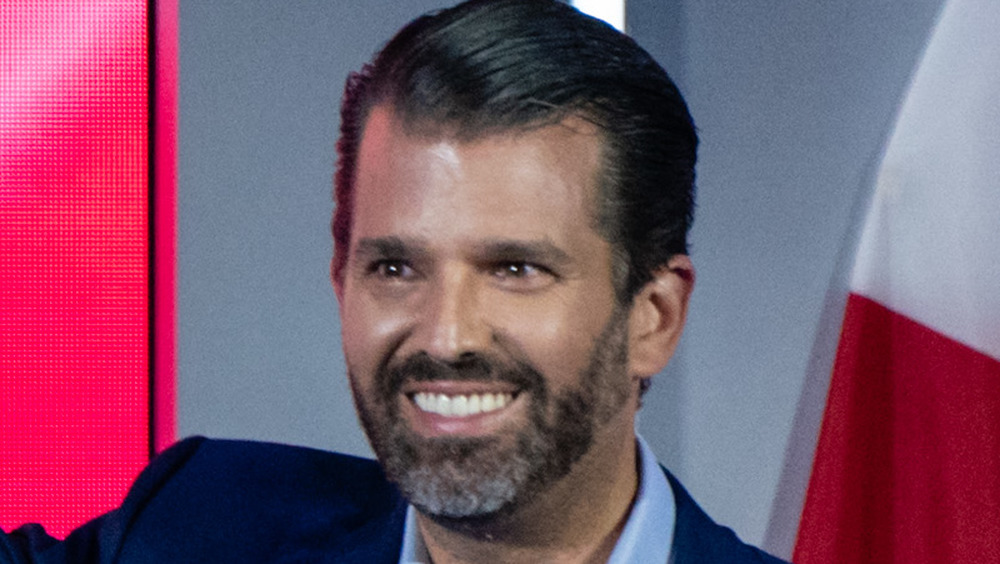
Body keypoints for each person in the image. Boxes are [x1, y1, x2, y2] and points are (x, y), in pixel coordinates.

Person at [1, 1, 788, 562]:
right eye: (395, 267)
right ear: (340, 279)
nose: (446, 335)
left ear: (653, 317)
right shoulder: (199, 524)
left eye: (515, 270)